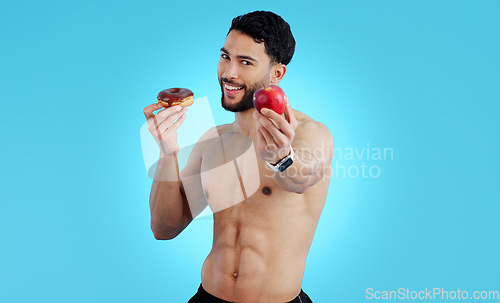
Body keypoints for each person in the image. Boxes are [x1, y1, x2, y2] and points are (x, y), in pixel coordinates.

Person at [143, 10, 334, 303]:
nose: (229, 73)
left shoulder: (310, 134)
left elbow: (301, 178)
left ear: (277, 73)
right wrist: (167, 154)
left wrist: (281, 157)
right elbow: (164, 228)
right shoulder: (214, 140)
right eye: (225, 56)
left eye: (245, 62)